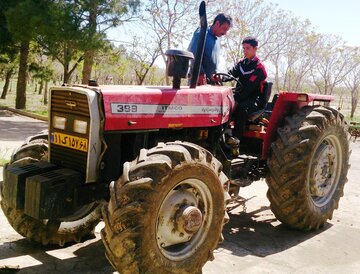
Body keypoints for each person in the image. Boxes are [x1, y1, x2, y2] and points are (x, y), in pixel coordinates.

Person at [225, 36, 267, 146]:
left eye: (248, 48)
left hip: (254, 99)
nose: (245, 51)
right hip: (240, 95)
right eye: (243, 48)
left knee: (241, 108)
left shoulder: (259, 68)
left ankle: (236, 141)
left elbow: (249, 88)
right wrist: (220, 78)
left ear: (255, 49)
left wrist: (237, 101)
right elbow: (231, 74)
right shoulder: (241, 64)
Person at [188, 13, 232, 85]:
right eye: (224, 29)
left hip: (211, 82)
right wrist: (200, 73)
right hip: (198, 82)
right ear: (217, 23)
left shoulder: (218, 39)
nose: (225, 33)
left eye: (226, 30)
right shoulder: (201, 33)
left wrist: (216, 74)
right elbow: (192, 53)